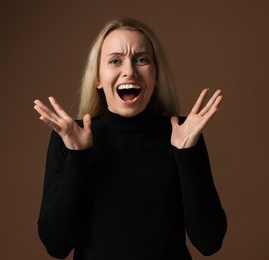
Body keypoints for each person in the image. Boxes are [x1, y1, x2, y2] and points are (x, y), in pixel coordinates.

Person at [33, 17, 227, 260]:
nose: (130, 71)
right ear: (97, 79)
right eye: (115, 61)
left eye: (142, 60)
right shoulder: (69, 137)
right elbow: (56, 245)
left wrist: (185, 154)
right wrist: (77, 156)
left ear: (155, 76)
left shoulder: (183, 133)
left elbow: (209, 241)